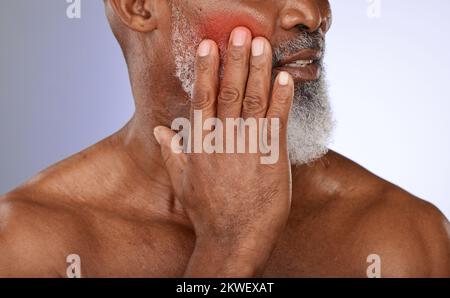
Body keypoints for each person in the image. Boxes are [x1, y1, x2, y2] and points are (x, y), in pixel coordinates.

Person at [0, 0, 449, 277]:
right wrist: (229, 249)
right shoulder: (28, 246)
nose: (314, 13)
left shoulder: (401, 238)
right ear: (138, 5)